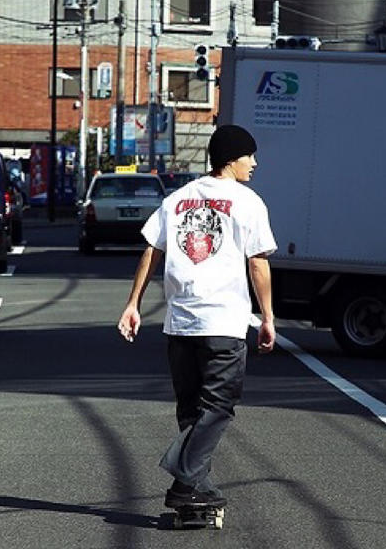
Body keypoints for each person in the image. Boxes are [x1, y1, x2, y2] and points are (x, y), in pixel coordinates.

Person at [117, 124, 277, 509]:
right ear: (230, 158)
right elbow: (257, 264)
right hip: (222, 323)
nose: (254, 163)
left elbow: (151, 251)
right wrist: (268, 316)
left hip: (180, 324)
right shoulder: (247, 201)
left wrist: (133, 303)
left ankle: (197, 485)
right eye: (248, 156)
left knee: (192, 410)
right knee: (219, 405)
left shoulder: (178, 199)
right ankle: (183, 480)